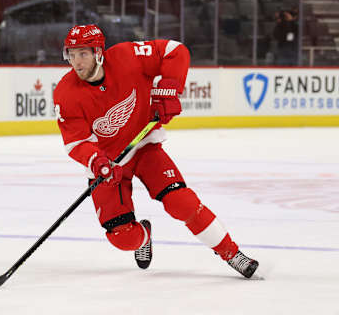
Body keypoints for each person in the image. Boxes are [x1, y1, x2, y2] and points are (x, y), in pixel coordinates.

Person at [53, 24, 259, 278]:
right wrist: (96, 161)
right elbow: (75, 142)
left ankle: (232, 253)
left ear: (98, 52)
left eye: (82, 54)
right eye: (71, 54)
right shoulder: (65, 92)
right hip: (108, 164)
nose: (76, 62)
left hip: (144, 147)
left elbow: (175, 51)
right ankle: (145, 237)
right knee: (123, 238)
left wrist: (169, 89)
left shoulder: (127, 56)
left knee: (182, 203)